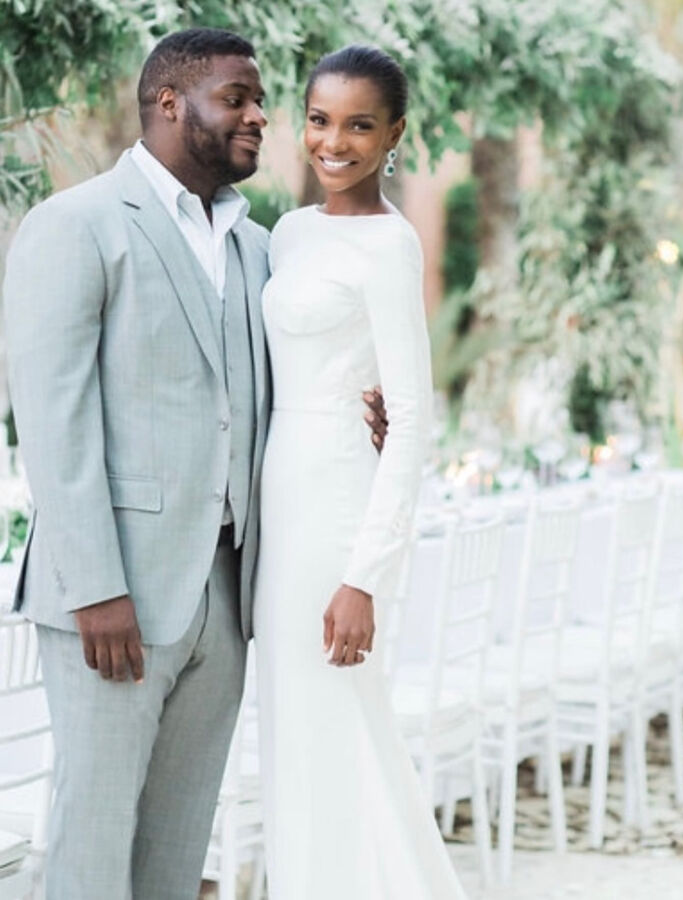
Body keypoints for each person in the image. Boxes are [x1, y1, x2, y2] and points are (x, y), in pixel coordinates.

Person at [3, 28, 384, 900]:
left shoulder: (258, 249)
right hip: (113, 597)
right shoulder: (77, 226)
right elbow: (53, 423)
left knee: (177, 851)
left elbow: (287, 394)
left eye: (260, 102)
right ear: (170, 104)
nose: (260, 117)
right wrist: (95, 587)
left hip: (226, 592)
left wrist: (365, 413)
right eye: (238, 98)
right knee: (91, 844)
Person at [253, 45, 468, 899]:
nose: (333, 141)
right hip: (281, 499)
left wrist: (365, 577)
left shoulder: (391, 244)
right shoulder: (290, 234)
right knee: (295, 734)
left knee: (341, 721)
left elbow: (411, 417)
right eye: (318, 119)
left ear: (395, 136)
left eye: (358, 125)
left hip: (338, 513)